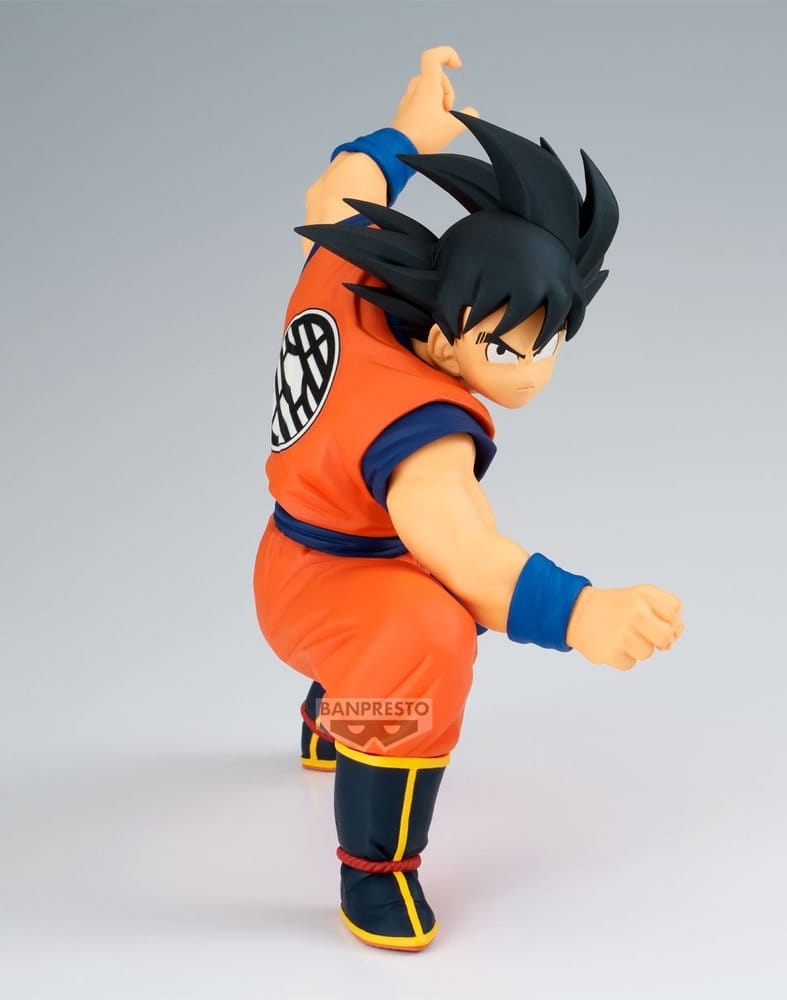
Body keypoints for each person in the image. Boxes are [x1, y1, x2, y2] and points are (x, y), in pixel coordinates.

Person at [253, 45, 685, 952]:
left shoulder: (347, 268)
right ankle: (374, 870)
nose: (531, 372)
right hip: (324, 590)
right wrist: (580, 613)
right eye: (506, 348)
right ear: (447, 337)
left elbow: (337, 188)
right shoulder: (425, 432)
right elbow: (466, 557)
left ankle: (332, 713)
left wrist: (407, 133)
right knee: (431, 632)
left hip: (301, 547)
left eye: (548, 341)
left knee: (405, 598)